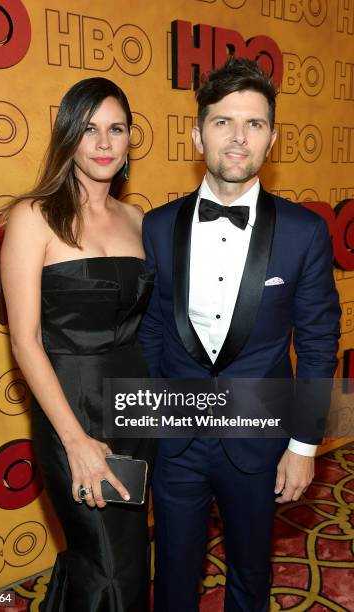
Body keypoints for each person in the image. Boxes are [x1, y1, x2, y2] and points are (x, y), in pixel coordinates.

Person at [138, 58, 340, 612]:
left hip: (260, 439)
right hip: (177, 440)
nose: (237, 137)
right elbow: (153, 328)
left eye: (253, 124)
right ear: (196, 131)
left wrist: (303, 447)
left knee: (251, 575)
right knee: (173, 575)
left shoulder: (304, 232)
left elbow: (321, 344)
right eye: (223, 121)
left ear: (272, 138)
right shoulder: (157, 225)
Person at [0, 77, 154, 612]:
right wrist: (75, 442)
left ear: (131, 139)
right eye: (90, 129)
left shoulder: (138, 220)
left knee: (125, 558)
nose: (105, 143)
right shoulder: (31, 217)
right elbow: (24, 341)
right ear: (68, 135)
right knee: (108, 570)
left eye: (117, 129)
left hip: (136, 409)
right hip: (73, 411)